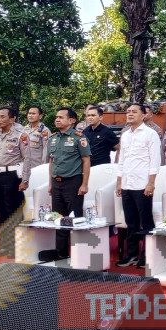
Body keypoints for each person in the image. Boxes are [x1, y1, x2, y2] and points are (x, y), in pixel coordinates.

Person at [115, 103, 161, 268]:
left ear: (144, 115)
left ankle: (147, 255)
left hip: (143, 184)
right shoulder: (126, 135)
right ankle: (132, 254)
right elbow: (122, 160)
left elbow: (155, 161)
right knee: (130, 222)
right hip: (127, 183)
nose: (130, 114)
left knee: (146, 221)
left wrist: (151, 183)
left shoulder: (151, 134)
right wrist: (119, 182)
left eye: (134, 112)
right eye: (128, 111)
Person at [0, 107, 33, 256]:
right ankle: (6, 245)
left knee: (14, 212)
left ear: (12, 119)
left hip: (12, 176)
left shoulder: (21, 136)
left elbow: (27, 158)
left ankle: (19, 246)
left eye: (2, 117)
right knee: (1, 212)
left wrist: (24, 179)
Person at [46, 107, 92, 259]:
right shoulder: (52, 138)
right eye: (56, 117)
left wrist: (84, 184)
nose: (57, 119)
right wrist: (50, 183)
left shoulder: (79, 137)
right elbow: (51, 162)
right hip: (57, 183)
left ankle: (79, 256)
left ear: (72, 120)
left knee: (75, 219)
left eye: (61, 117)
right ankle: (61, 254)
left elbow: (86, 161)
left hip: (73, 182)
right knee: (58, 219)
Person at [24, 105, 51, 169]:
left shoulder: (45, 130)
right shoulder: (24, 129)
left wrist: (43, 167)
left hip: (36, 166)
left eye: (33, 114)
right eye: (29, 113)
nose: (30, 115)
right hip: (24, 166)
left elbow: (46, 150)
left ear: (40, 116)